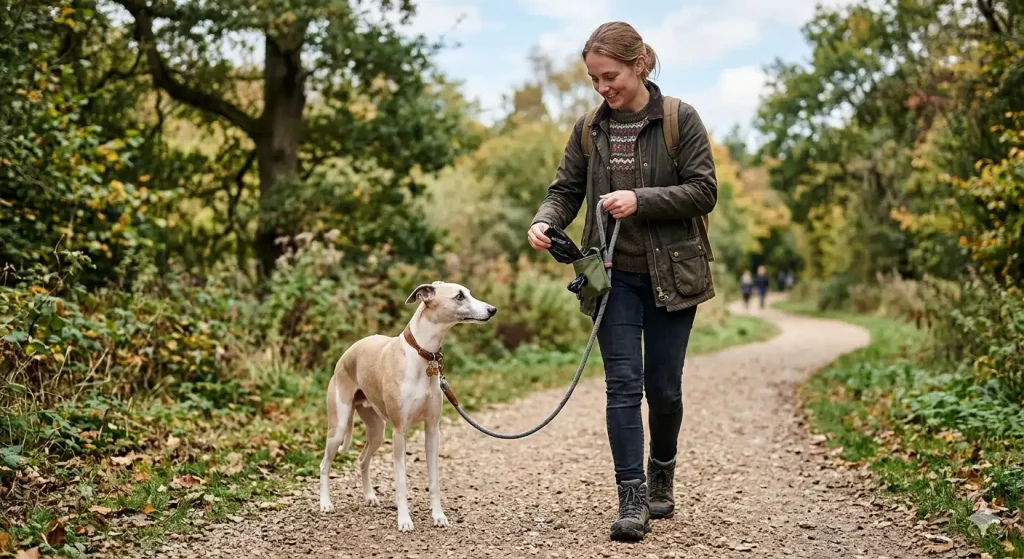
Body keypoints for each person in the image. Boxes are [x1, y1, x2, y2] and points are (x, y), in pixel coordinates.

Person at [526, 21, 717, 543]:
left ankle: (662, 469)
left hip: (673, 276)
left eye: (610, 76)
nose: (602, 87)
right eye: (593, 79)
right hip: (610, 278)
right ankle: (631, 497)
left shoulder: (681, 119)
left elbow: (704, 191)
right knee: (622, 388)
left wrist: (642, 199)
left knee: (664, 389)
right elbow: (564, 189)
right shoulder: (589, 128)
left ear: (640, 65)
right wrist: (546, 220)